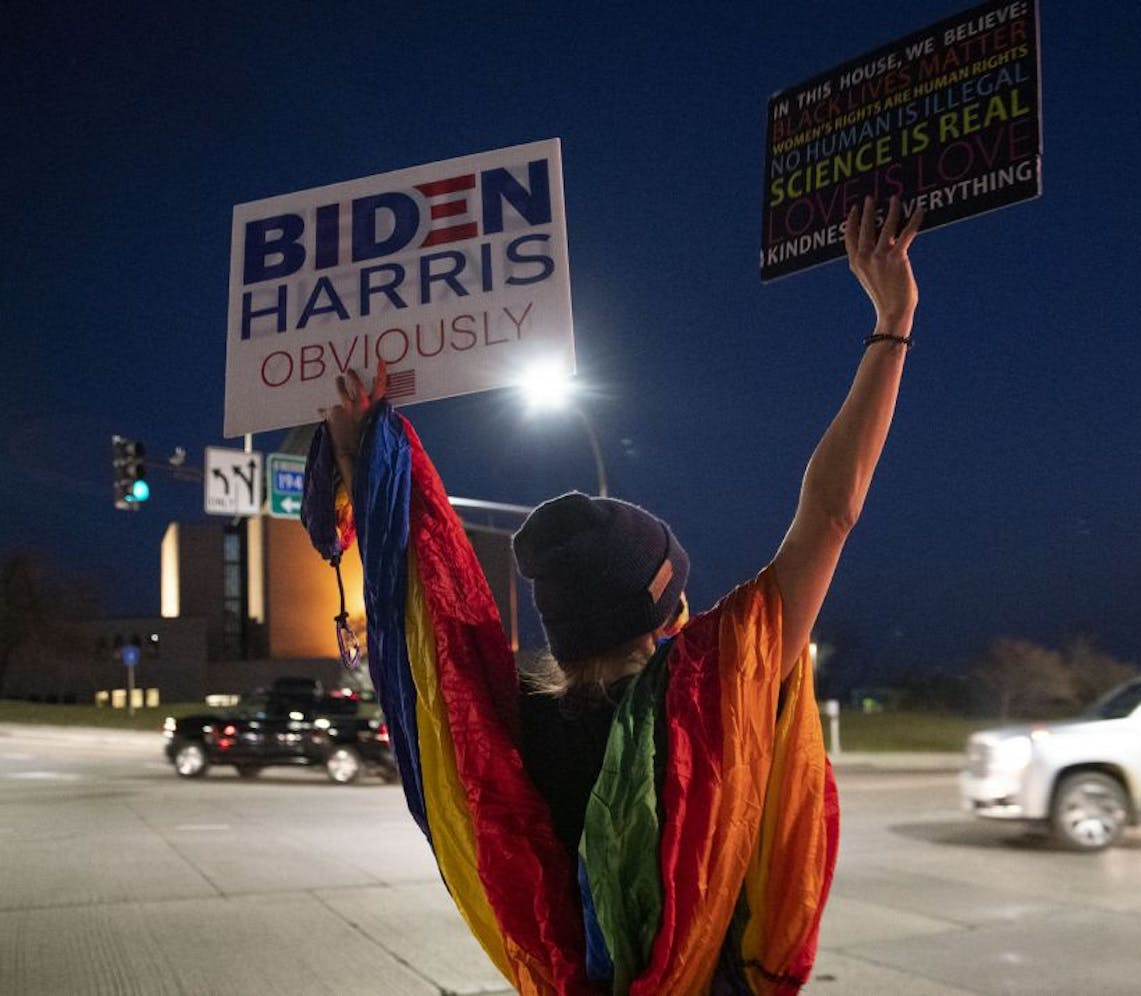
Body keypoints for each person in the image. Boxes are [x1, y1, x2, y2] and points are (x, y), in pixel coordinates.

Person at [312, 194, 924, 995]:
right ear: (662, 607)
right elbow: (833, 512)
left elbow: (417, 611)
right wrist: (893, 319)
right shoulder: (711, 694)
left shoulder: (505, 734)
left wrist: (364, 457)